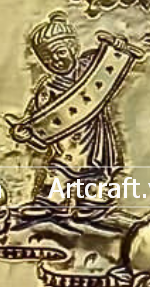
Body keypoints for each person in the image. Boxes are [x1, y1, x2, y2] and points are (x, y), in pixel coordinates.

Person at [7, 12, 130, 217]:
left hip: (96, 140)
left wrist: (118, 46)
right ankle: (50, 202)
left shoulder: (90, 67)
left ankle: (93, 203)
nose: (55, 60)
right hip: (65, 144)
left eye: (60, 52)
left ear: (73, 48)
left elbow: (113, 61)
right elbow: (36, 118)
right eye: (47, 58)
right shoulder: (48, 88)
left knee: (96, 174)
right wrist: (25, 133)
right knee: (59, 171)